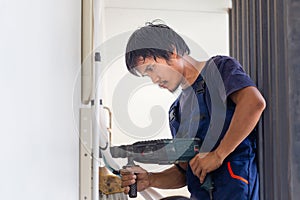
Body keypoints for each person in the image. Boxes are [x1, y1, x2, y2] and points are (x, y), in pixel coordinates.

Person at [120, 21, 266, 200]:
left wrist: (219, 154)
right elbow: (185, 171)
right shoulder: (176, 112)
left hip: (237, 191)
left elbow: (253, 103)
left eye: (151, 68)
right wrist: (151, 180)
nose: (154, 79)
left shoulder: (218, 69)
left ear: (171, 51)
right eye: (147, 75)